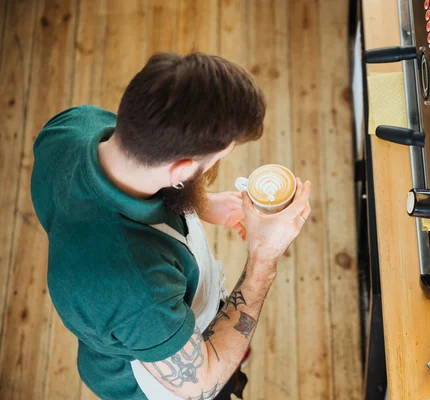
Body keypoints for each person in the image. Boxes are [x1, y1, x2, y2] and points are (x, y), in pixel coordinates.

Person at [31, 52, 311, 400]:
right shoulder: (136, 286)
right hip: (151, 381)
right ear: (180, 171)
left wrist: (203, 204)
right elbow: (205, 380)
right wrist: (263, 259)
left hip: (145, 317)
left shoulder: (71, 127)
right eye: (218, 159)